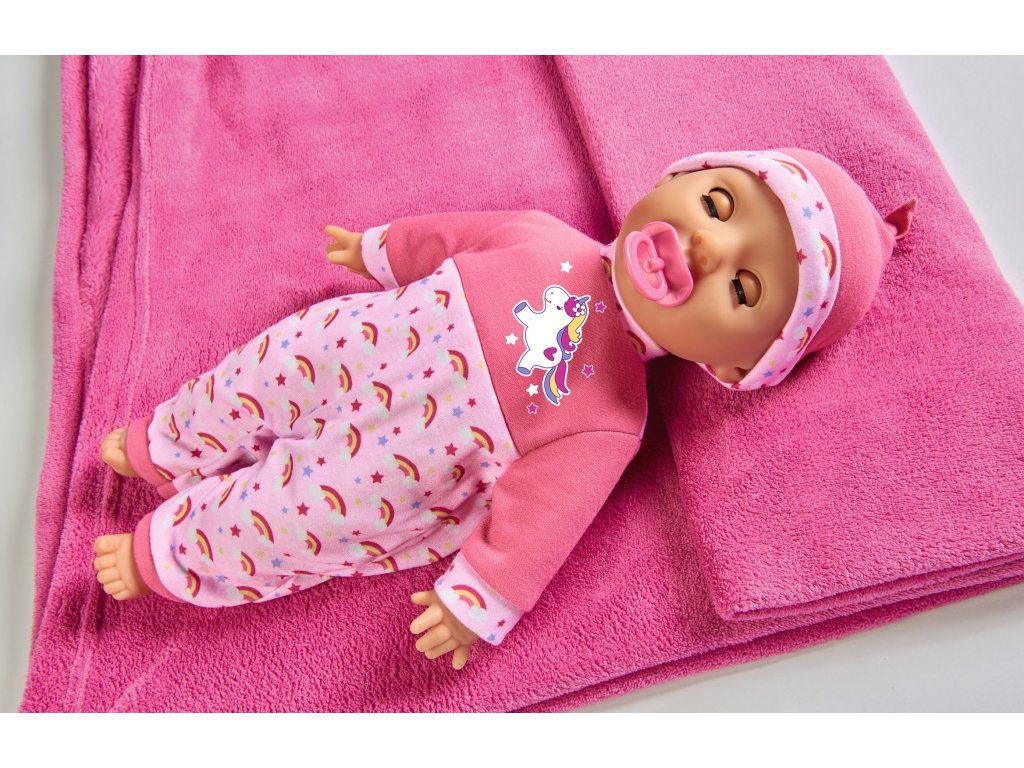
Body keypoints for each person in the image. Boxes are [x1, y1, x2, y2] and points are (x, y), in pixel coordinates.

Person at [92, 148, 916, 669]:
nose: (706, 246)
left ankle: (171, 554)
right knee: (269, 364)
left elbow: (542, 521)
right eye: (720, 205)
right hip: (352, 344)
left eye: (743, 287)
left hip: (390, 469)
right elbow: (455, 238)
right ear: (679, 178)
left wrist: (480, 597)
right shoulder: (543, 236)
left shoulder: (610, 417)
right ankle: (170, 441)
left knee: (300, 513)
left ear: (734, 367)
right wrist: (382, 248)